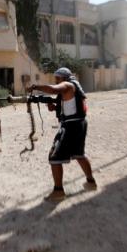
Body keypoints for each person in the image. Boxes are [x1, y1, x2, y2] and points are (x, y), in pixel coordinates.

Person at [27, 67, 97, 202]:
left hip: (71, 126)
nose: (56, 81)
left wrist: (36, 86)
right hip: (79, 123)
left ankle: (58, 191)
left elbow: (53, 89)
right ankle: (91, 182)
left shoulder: (68, 84)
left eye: (57, 78)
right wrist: (54, 107)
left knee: (54, 156)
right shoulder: (74, 87)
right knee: (78, 154)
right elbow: (68, 105)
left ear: (64, 77)